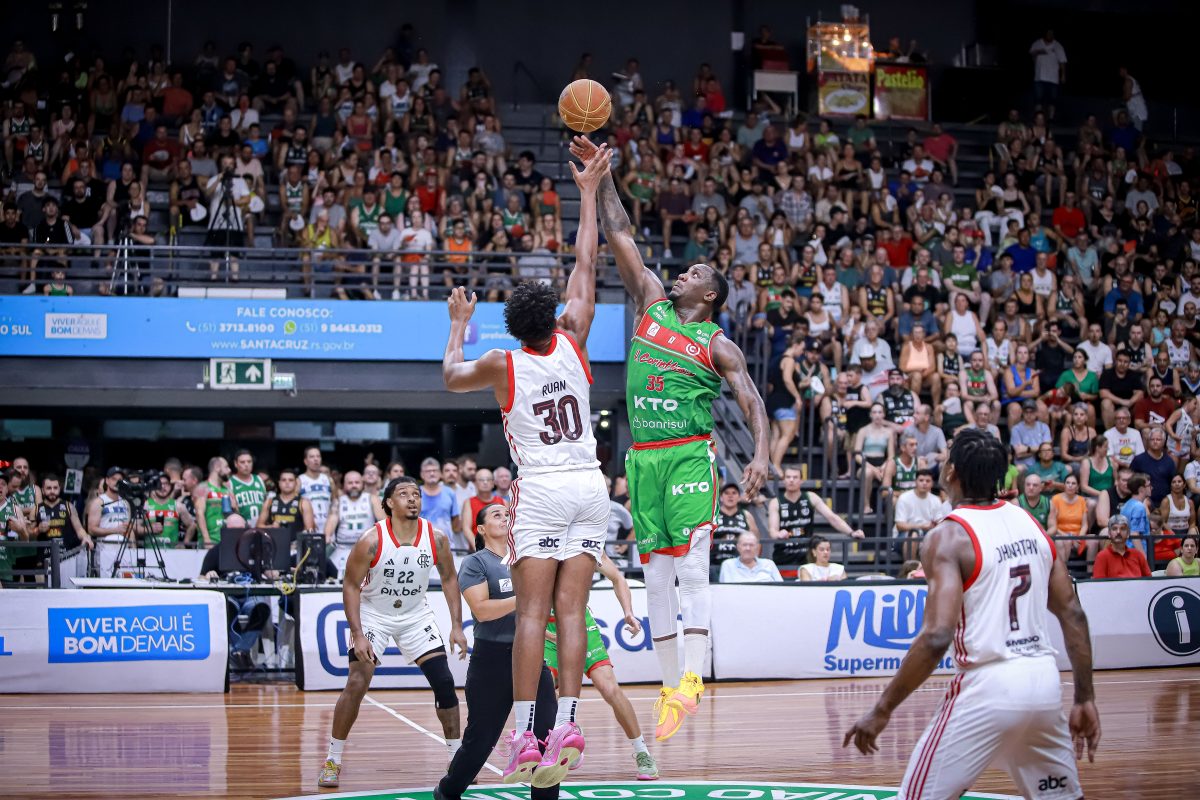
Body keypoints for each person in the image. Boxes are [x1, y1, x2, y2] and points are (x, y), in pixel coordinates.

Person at [579, 133, 770, 743]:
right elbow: (621, 235)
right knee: (653, 576)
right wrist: (601, 174)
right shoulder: (652, 304)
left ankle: (693, 678)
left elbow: (751, 399)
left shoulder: (718, 344)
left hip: (689, 453)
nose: (678, 274)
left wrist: (761, 454)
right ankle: (669, 688)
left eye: (692, 273)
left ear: (708, 295)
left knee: (691, 566)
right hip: (644, 459)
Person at [441, 146, 611, 786]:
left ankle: (525, 737)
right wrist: (588, 192)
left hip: (542, 488)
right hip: (591, 487)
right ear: (556, 318)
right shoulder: (575, 335)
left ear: (514, 327)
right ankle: (566, 721)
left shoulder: (504, 364)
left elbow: (451, 376)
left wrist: (459, 325)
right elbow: (585, 260)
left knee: (532, 616)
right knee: (573, 613)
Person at [844, 428, 1100, 798]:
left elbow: (936, 637)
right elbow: (1072, 613)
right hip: (1044, 681)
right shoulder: (1030, 523)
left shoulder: (948, 536)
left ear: (952, 473)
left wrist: (882, 709)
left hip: (987, 685)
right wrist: (1084, 697)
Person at [318, 476, 468, 788]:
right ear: (389, 503)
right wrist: (357, 632)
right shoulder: (371, 540)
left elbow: (450, 578)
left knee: (444, 681)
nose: (413, 499)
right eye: (404, 494)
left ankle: (457, 759)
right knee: (358, 681)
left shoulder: (436, 537)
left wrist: (456, 625)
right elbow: (349, 586)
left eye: (416, 494)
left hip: (415, 615)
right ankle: (333, 758)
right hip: (375, 614)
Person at [437, 505, 561, 800]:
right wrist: (524, 598)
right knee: (480, 742)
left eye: (507, 514)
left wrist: (543, 630)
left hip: (530, 656)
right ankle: (447, 791)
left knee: (547, 739)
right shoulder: (476, 563)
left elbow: (529, 612)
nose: (505, 518)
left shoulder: (526, 560)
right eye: (496, 515)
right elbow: (481, 609)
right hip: (492, 659)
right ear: (480, 529)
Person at [544, 553, 660, 780]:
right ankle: (566, 736)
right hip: (547, 631)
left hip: (581, 626)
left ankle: (642, 752)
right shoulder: (537, 546)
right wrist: (552, 637)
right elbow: (520, 610)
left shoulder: (586, 545)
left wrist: (628, 612)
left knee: (609, 689)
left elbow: (618, 578)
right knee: (545, 690)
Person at [324, 471, 385, 574]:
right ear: (344, 485)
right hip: (342, 548)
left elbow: (384, 523)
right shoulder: (338, 502)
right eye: (350, 483)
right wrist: (327, 537)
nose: (354, 486)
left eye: (357, 482)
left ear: (362, 484)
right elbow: (330, 527)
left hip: (367, 548)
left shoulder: (372, 499)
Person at [257, 468, 315, 534]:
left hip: (295, 543)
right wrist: (271, 527)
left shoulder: (303, 503)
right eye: (284, 480)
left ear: (296, 483)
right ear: (279, 483)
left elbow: (309, 529)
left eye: (290, 480)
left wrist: (298, 543)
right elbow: (258, 526)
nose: (287, 483)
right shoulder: (269, 502)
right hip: (274, 543)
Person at [1092, 514, 1150, 578]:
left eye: (1122, 529)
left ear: (1128, 534)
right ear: (1109, 534)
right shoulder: (1102, 556)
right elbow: (1099, 585)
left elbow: (1149, 581)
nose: (1118, 532)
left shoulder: (1138, 555)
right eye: (1114, 529)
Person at [299, 446, 333, 532]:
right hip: (308, 529)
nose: (316, 459)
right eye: (312, 457)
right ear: (305, 461)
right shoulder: (299, 480)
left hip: (328, 529)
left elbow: (335, 503)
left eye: (318, 456)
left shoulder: (328, 480)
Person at [229, 450, 267, 524]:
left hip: (260, 526)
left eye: (249, 462)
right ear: (235, 464)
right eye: (242, 462)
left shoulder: (259, 479)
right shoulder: (230, 482)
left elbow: (266, 503)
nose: (246, 465)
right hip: (241, 527)